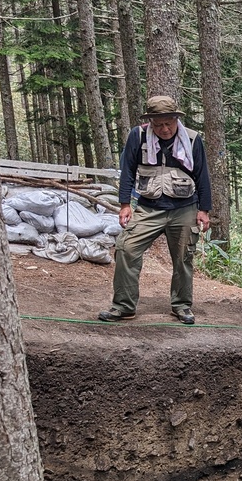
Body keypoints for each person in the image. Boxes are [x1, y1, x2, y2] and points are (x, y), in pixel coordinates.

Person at [98, 95, 212, 325]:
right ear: (150, 121)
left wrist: (204, 210)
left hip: (185, 207)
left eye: (168, 123)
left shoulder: (191, 139)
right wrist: (125, 204)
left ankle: (181, 306)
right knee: (126, 248)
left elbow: (202, 176)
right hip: (148, 207)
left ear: (175, 119)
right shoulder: (138, 136)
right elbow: (128, 170)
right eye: (158, 124)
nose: (164, 129)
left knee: (183, 257)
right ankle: (124, 306)